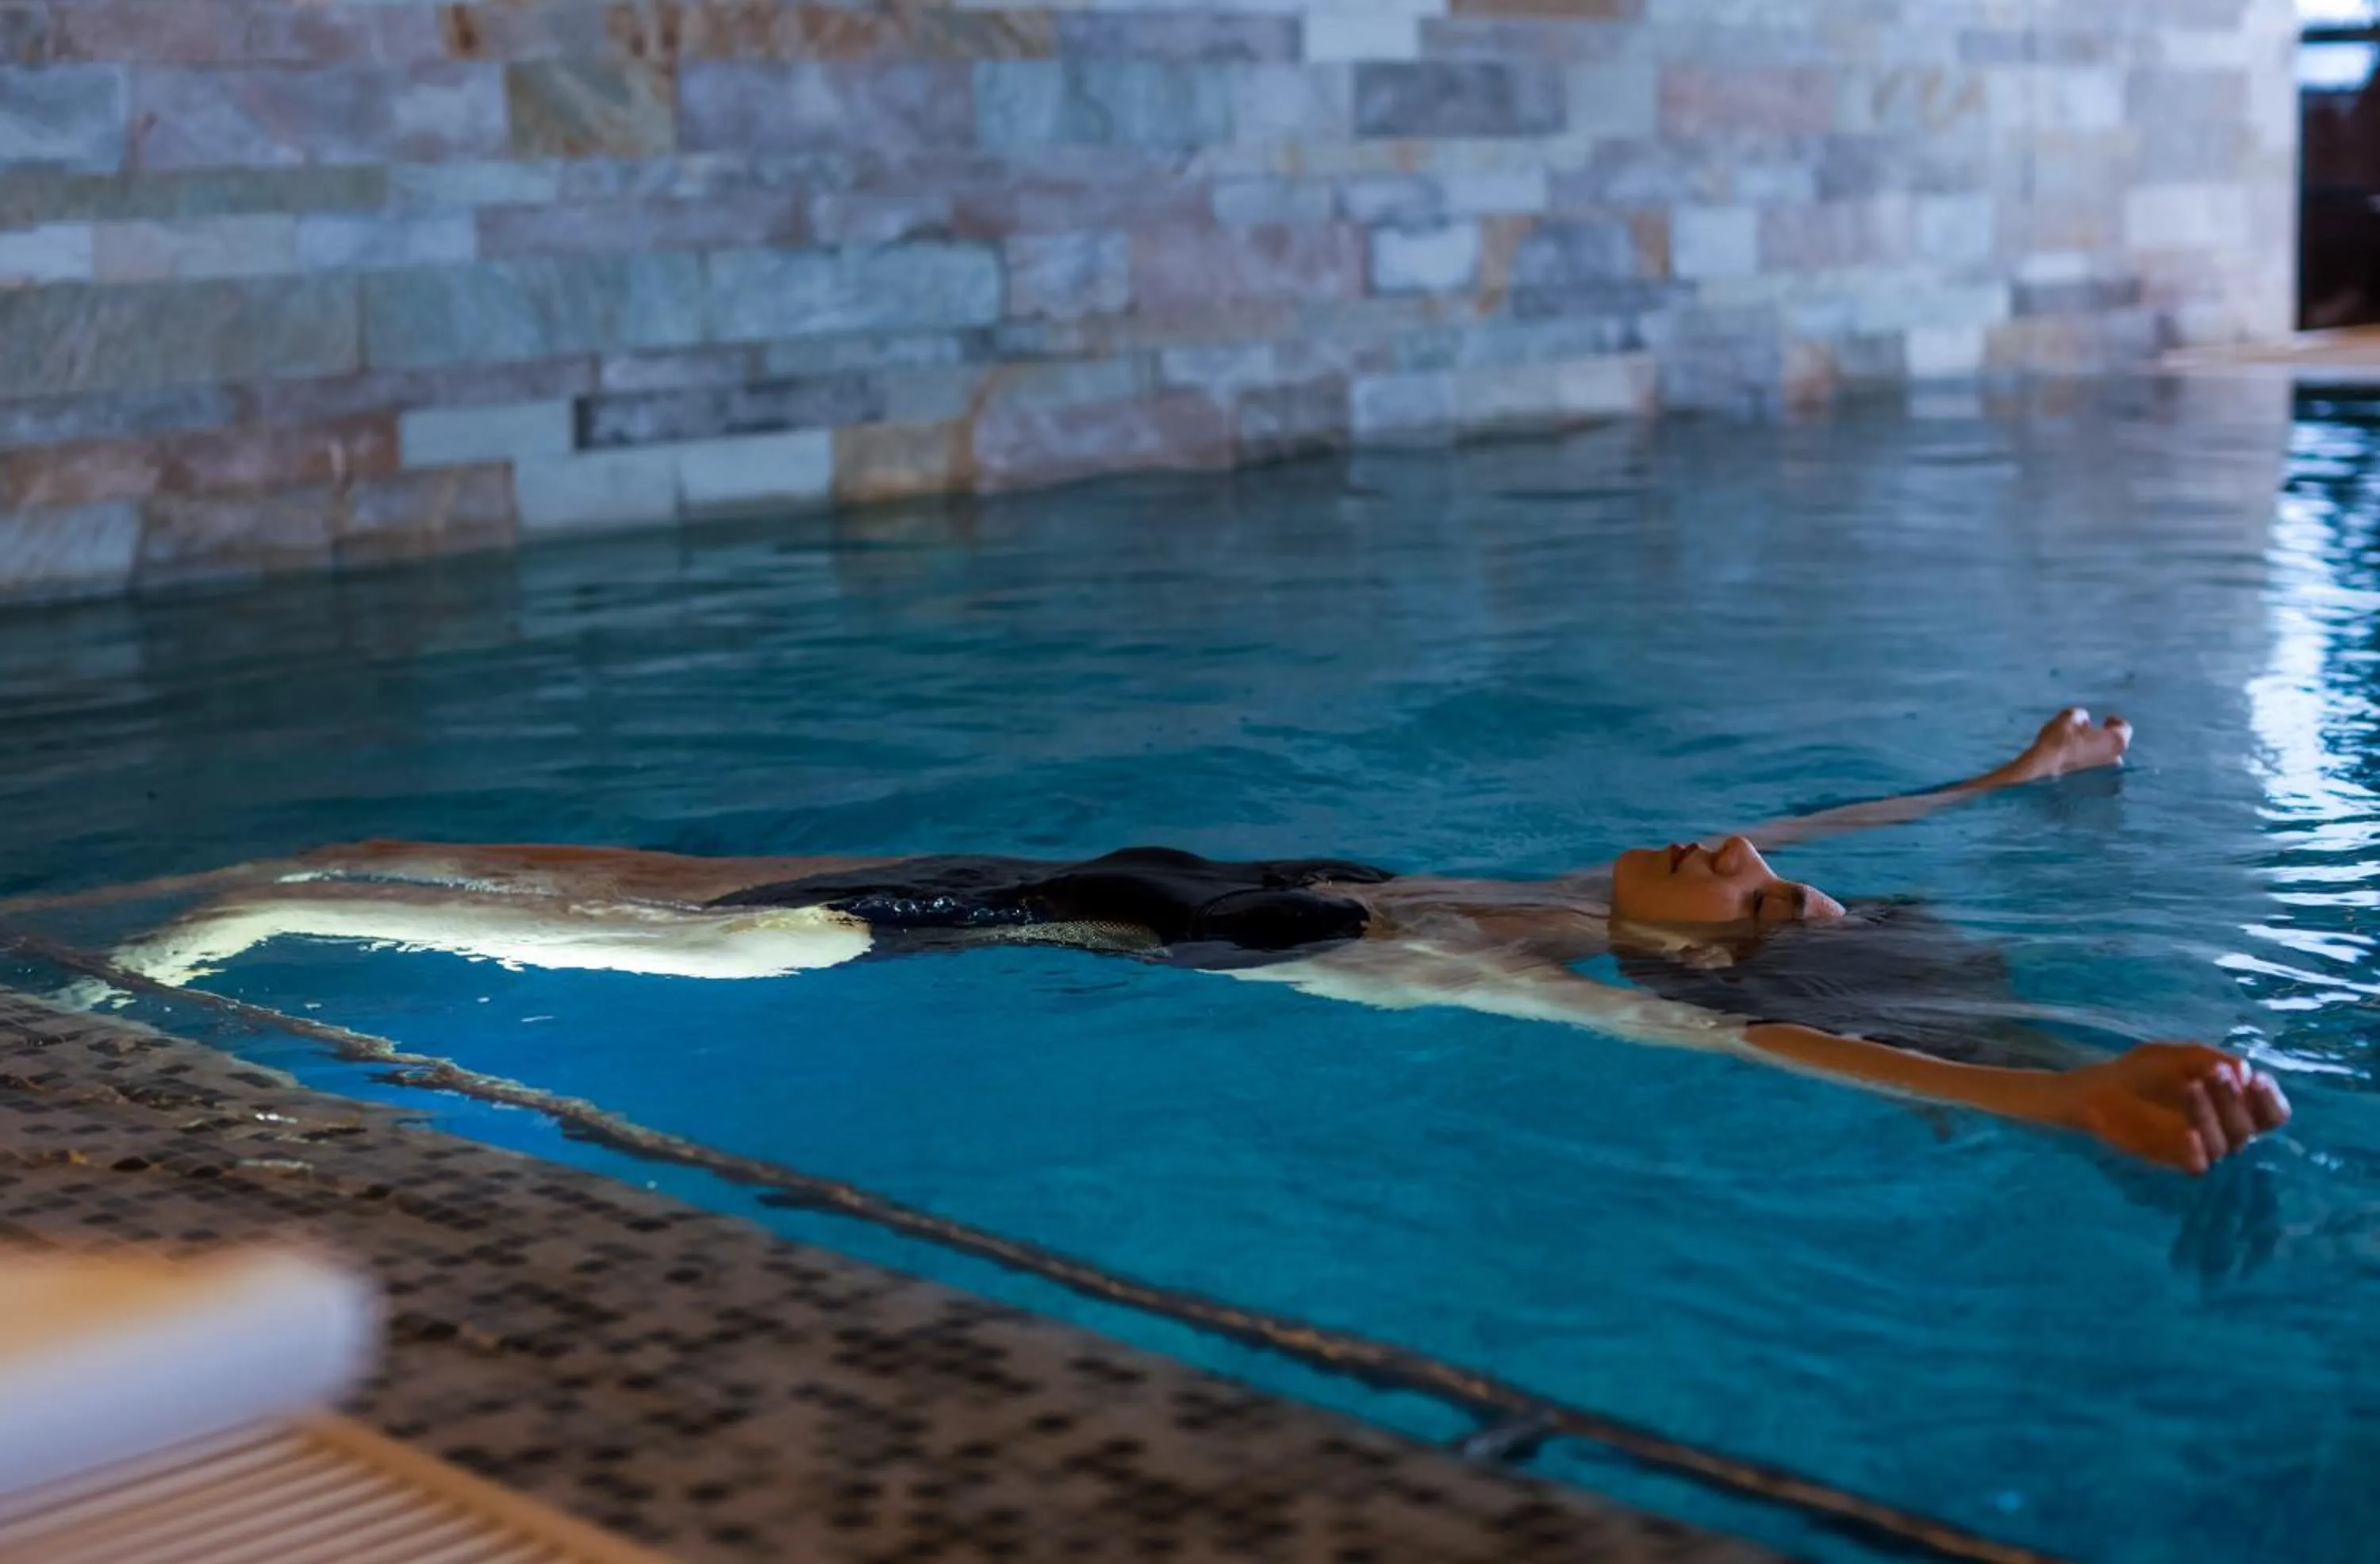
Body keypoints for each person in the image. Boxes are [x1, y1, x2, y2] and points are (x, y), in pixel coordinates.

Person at [6, 709, 2289, 1175]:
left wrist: (2063, 1095)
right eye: (1763, 870)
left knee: (318, 891)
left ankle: (141, 971)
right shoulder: (1561, 886)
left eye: (1764, 903)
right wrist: (2010, 781)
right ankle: (99, 917)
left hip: (889, 947)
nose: (1759, 862)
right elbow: (1814, 819)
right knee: (407, 819)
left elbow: (1797, 1058)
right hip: (996, 874)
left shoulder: (1541, 965)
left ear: (1700, 956)